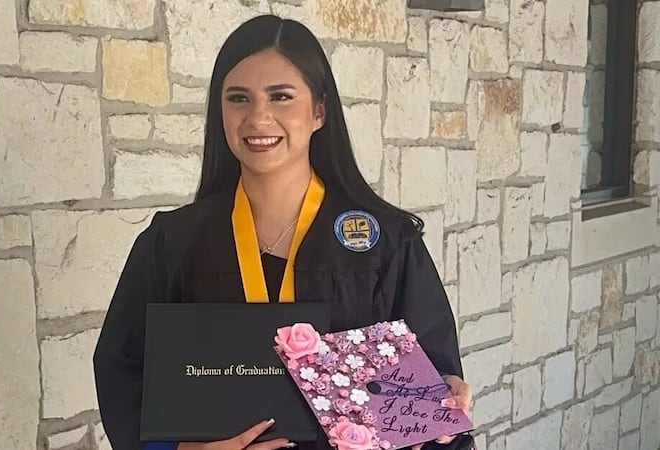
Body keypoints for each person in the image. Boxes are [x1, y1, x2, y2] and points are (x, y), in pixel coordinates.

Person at [93, 14, 473, 450]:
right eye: (239, 98)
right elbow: (123, 373)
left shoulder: (383, 245)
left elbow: (432, 388)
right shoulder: (173, 244)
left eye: (280, 97)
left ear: (318, 111)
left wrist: (440, 409)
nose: (258, 117)